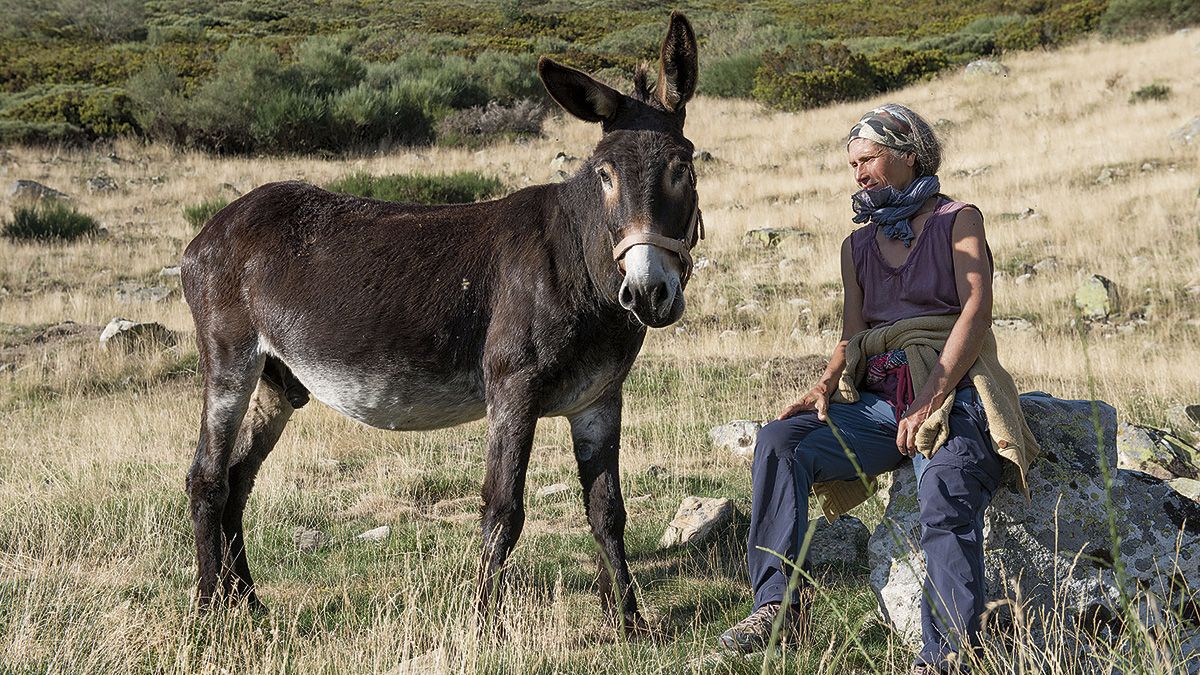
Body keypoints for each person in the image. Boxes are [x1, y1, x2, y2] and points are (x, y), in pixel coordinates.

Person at [718, 104, 1040, 673]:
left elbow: (976, 311)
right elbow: (853, 334)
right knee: (781, 442)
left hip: (952, 384)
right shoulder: (857, 246)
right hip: (873, 404)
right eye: (853, 164)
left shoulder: (959, 219)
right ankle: (778, 607)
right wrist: (822, 383)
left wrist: (932, 397)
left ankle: (945, 659)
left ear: (906, 153)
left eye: (867, 159)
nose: (858, 174)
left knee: (944, 489)